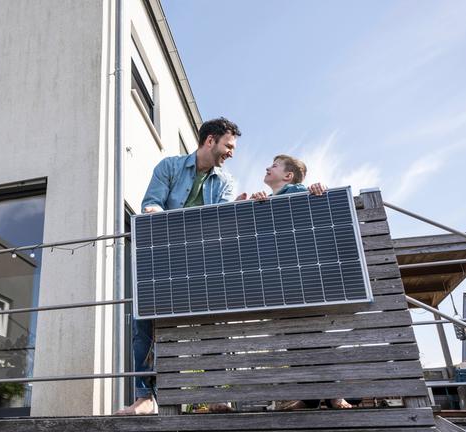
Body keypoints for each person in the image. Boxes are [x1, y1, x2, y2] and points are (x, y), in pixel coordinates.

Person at [115, 117, 241, 415]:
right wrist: (156, 212)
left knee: (213, 325)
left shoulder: (226, 182)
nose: (231, 153)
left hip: (203, 263)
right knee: (143, 325)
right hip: (163, 261)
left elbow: (219, 221)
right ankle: (146, 398)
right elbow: (152, 204)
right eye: (228, 146)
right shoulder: (169, 167)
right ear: (210, 140)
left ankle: (212, 395)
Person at [246, 154, 359, 411]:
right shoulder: (270, 199)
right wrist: (257, 201)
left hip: (304, 280)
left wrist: (317, 190)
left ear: (288, 176)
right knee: (294, 343)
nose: (266, 167)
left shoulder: (296, 191)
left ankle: (333, 394)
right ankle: (311, 397)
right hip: (284, 281)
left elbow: (315, 210)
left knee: (316, 339)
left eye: (273, 165)